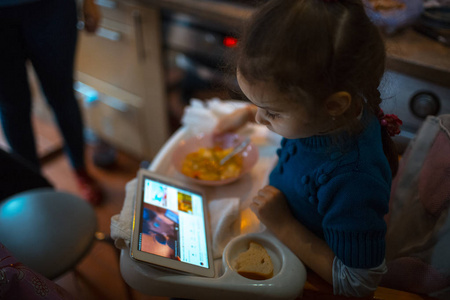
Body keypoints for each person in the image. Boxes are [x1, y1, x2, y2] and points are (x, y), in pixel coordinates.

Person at [214, 0, 402, 297]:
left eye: (272, 112)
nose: (261, 119)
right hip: (279, 217)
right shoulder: (332, 116)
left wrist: (283, 224)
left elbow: (358, 283)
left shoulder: (352, 180)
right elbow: (296, 116)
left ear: (334, 105)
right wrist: (247, 114)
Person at [0, 0, 102, 204]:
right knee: (12, 108)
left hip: (51, 8)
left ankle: (80, 169)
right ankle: (32, 186)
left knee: (62, 97)